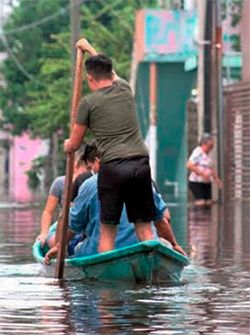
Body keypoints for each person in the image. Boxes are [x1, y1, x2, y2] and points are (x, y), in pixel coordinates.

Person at [64, 38, 156, 253]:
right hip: (140, 163)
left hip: (113, 167)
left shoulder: (87, 103)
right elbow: (109, 72)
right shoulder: (124, 89)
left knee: (108, 231)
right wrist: (89, 49)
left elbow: (75, 143)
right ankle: (152, 273)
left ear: (89, 78)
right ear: (110, 72)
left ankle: (106, 287)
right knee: (144, 229)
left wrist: (67, 145)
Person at [44, 171, 186, 264]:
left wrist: (59, 246)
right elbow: (162, 219)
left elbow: (73, 226)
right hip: (142, 250)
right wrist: (174, 245)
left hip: (100, 254)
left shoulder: (89, 184)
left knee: (79, 247)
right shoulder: (143, 181)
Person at [187, 133, 222, 206]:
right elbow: (189, 165)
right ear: (204, 144)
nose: (211, 148)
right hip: (196, 182)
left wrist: (217, 179)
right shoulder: (198, 152)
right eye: (210, 146)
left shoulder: (208, 154)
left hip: (206, 182)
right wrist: (202, 174)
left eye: (212, 146)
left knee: (209, 202)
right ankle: (196, 215)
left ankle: (207, 217)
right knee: (201, 202)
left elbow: (211, 168)